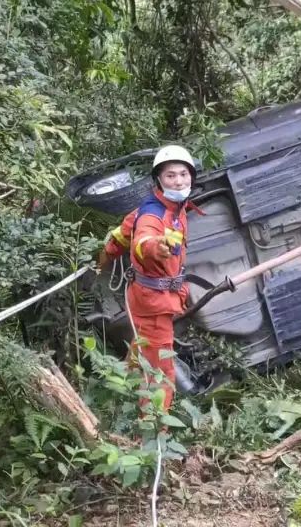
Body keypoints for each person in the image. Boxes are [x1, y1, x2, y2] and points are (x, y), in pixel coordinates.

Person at [96, 145, 200, 413]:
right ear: (158, 180)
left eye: (183, 175)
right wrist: (157, 247)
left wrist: (104, 257)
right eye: (170, 176)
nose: (178, 181)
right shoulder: (155, 215)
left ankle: (121, 395)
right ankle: (154, 435)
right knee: (161, 374)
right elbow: (144, 240)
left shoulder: (168, 206)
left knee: (143, 346)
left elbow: (120, 235)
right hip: (154, 303)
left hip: (149, 297)